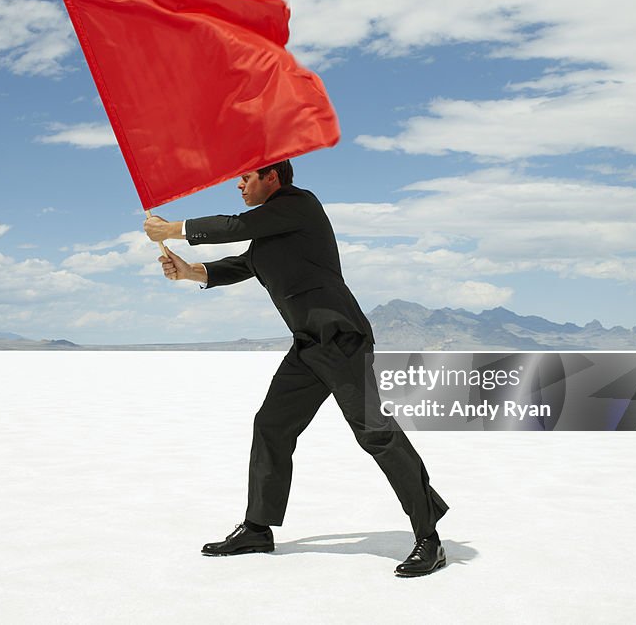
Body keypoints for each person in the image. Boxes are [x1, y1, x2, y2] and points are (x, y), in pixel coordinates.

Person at [143, 159, 449, 577]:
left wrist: (173, 228)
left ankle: (428, 538)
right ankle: (257, 528)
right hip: (307, 345)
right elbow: (244, 264)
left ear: (272, 177)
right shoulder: (271, 233)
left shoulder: (299, 205)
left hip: (342, 340)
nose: (239, 185)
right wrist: (188, 272)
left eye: (246, 177)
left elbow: (234, 227)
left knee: (375, 434)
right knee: (271, 425)